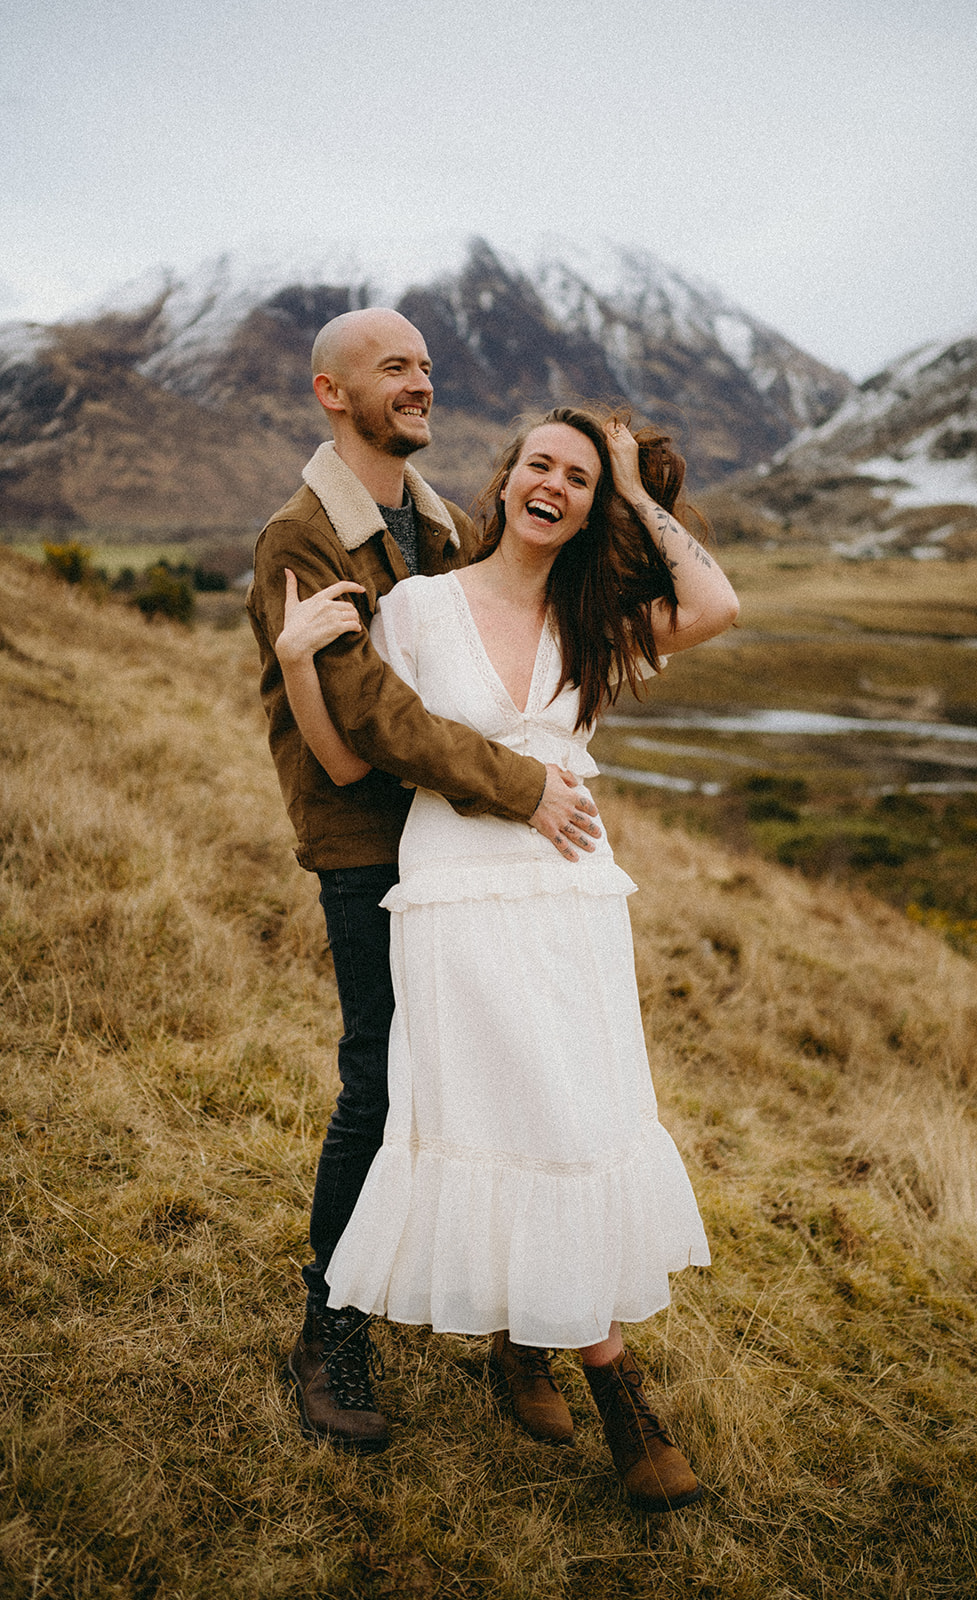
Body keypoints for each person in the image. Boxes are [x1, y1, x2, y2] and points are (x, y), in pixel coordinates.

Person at [276, 407, 739, 1511]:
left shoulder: (596, 617)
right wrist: (299, 661)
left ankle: (525, 1342)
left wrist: (634, 486)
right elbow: (345, 759)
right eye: (541, 462)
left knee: (573, 1117)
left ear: (590, 507)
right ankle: (618, 1387)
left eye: (578, 477)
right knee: (514, 1115)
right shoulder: (423, 608)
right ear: (506, 478)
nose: (555, 483)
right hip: (456, 890)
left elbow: (716, 605)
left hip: (573, 897)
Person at [246, 311, 602, 1454]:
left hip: (457, 848)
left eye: (427, 367)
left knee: (499, 1074)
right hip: (367, 846)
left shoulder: (441, 524)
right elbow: (374, 720)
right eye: (394, 367)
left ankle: (519, 1322)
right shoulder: (300, 539)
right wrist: (527, 786)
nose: (421, 383)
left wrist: (619, 476)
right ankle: (329, 1329)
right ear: (331, 392)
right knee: (381, 1086)